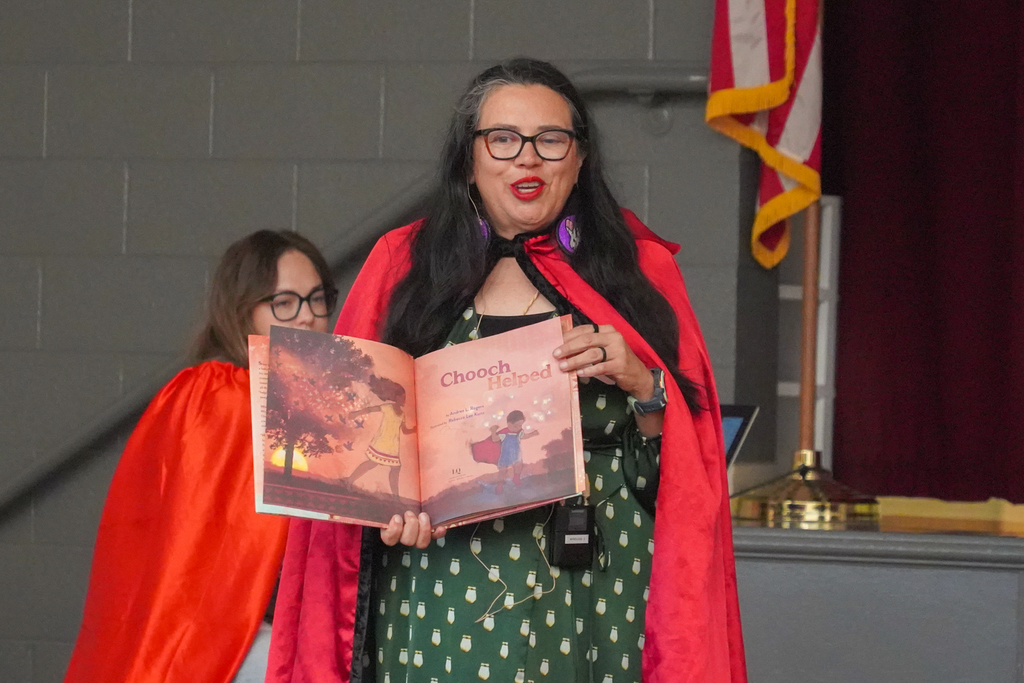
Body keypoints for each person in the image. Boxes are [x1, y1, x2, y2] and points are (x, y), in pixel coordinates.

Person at [267, 58, 747, 683]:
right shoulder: (401, 264)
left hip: (595, 586)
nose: (528, 159)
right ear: (469, 158)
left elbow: (687, 484)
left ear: (579, 162)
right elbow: (340, 467)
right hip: (440, 592)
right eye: (503, 139)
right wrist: (384, 514)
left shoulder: (641, 272)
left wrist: (644, 386)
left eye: (552, 140)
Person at [63, 230, 338, 683]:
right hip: (224, 636)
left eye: (317, 299)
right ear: (242, 310)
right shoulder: (214, 393)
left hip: (290, 627)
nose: (307, 318)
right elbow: (198, 557)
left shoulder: (319, 404)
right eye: (284, 302)